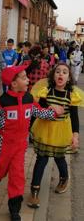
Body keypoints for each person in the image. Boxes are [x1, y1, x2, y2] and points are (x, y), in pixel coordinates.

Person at [0, 65, 64, 221]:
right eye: (24, 78)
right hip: (3, 145)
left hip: (20, 145)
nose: (28, 80)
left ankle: (14, 208)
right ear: (13, 83)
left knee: (17, 176)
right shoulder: (3, 101)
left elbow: (38, 111)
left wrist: (53, 113)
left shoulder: (29, 98)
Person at [27, 63, 84, 209]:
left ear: (69, 78)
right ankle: (34, 191)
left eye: (65, 72)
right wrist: (49, 108)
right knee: (41, 159)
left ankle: (64, 179)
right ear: (53, 75)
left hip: (61, 131)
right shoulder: (46, 92)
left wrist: (75, 136)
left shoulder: (71, 95)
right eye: (58, 71)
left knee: (59, 158)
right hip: (44, 128)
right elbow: (38, 111)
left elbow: (75, 117)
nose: (61, 74)